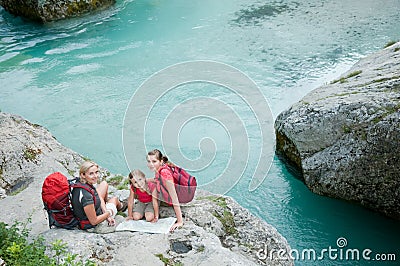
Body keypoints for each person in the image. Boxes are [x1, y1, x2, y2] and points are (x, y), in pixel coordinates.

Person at [71, 161, 124, 230]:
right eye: (91, 174)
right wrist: (108, 213)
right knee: (114, 199)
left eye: (96, 172)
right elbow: (94, 221)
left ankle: (107, 204)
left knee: (104, 184)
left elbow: (97, 196)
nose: (95, 176)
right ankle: (122, 207)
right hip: (94, 224)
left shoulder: (80, 183)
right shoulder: (86, 197)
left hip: (93, 211)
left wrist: (104, 210)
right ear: (83, 175)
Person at [147, 149, 183, 231]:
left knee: (150, 186)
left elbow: (174, 197)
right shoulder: (158, 169)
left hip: (171, 200)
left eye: (154, 161)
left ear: (161, 161)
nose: (150, 164)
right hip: (165, 194)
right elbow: (157, 180)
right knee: (144, 184)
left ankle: (151, 208)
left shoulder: (165, 173)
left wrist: (180, 221)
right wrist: (144, 180)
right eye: (149, 161)